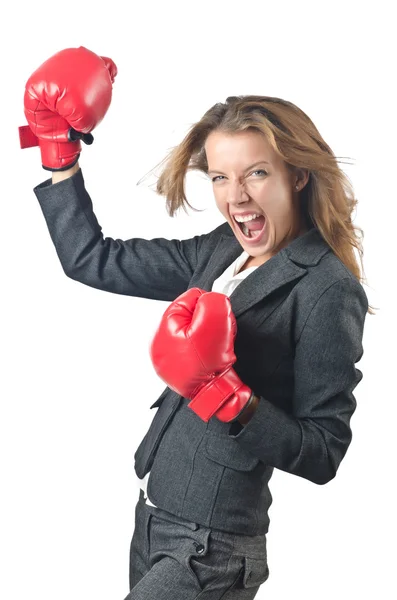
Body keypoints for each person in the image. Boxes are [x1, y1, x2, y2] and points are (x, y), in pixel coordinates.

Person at [20, 46, 372, 600]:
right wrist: (57, 153)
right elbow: (92, 260)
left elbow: (323, 450)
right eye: (220, 177)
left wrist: (228, 396)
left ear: (298, 174)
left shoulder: (327, 289)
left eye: (256, 173)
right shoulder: (218, 250)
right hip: (154, 517)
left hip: (212, 547)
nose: (236, 197)